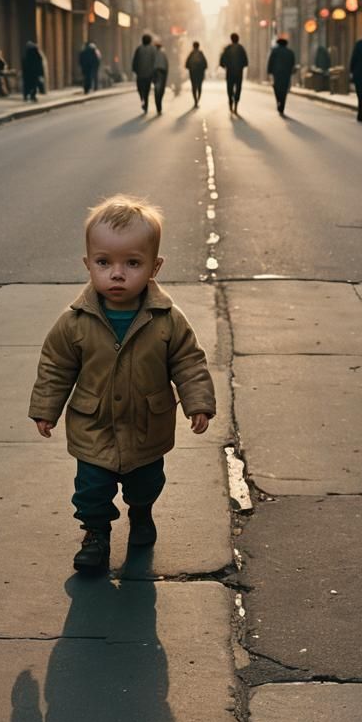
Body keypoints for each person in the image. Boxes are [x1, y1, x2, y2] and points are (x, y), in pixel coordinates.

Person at [29, 195, 216, 572]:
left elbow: (188, 361)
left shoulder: (167, 319)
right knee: (91, 490)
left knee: (145, 484)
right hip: (93, 426)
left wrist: (198, 402)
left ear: (154, 267)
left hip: (147, 427)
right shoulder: (75, 321)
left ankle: (141, 513)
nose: (117, 273)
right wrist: (46, 408)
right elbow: (56, 366)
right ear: (88, 264)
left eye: (132, 263)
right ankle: (95, 535)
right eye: (104, 262)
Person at [220, 32, 248, 114]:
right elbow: (246, 62)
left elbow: (222, 61)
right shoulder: (241, 48)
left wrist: (225, 66)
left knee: (230, 88)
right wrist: (241, 66)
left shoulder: (227, 48)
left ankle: (230, 102)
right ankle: (236, 105)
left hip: (230, 72)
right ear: (238, 39)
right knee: (238, 88)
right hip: (239, 72)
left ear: (231, 39)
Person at [267, 35, 296, 115]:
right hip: (286, 74)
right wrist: (291, 71)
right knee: (284, 90)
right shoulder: (290, 52)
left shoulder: (274, 51)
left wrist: (269, 71)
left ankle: (278, 101)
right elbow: (293, 63)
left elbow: (270, 61)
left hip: (277, 73)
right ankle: (282, 106)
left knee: (276, 88)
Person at [131, 33, 157, 113]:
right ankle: (144, 101)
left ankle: (144, 102)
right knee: (145, 90)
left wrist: (135, 70)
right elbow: (155, 61)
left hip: (142, 74)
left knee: (141, 89)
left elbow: (135, 61)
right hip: (147, 74)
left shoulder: (140, 49)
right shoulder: (152, 49)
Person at [185, 41, 207, 106]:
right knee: (199, 86)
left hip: (193, 73)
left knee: (194, 87)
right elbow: (205, 64)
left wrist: (191, 68)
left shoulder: (191, 54)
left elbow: (187, 64)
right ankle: (198, 99)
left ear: (193, 46)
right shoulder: (201, 54)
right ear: (198, 46)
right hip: (200, 73)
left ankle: (195, 100)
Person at [152, 39, 169, 114]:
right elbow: (166, 65)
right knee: (161, 90)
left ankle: (158, 106)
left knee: (157, 90)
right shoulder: (163, 54)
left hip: (155, 73)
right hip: (162, 73)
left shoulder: (153, 54)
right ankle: (159, 106)